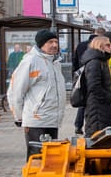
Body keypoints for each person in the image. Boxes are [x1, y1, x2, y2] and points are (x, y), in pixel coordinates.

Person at [8, 29, 68, 159]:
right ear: (41, 44)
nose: (54, 45)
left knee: (50, 159)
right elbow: (16, 91)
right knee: (36, 159)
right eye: (50, 42)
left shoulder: (55, 63)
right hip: (36, 120)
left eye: (56, 42)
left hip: (52, 120)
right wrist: (19, 117)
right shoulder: (31, 61)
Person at [78, 33, 111, 138]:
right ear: (100, 46)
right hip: (98, 107)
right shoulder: (95, 62)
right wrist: (109, 97)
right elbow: (94, 86)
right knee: (97, 136)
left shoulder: (100, 60)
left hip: (101, 106)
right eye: (108, 45)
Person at [71, 33, 99, 135]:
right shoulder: (95, 50)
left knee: (82, 104)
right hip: (90, 78)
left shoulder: (80, 45)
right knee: (91, 104)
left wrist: (75, 76)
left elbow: (74, 62)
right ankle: (87, 126)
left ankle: (78, 125)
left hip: (81, 77)